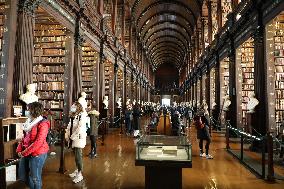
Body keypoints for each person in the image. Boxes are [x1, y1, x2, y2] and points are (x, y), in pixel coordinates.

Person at [16, 102, 50, 189]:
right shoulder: (29, 121)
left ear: (34, 110)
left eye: (28, 109)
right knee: (22, 176)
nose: (27, 111)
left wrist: (23, 153)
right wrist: (19, 150)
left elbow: (38, 142)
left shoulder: (43, 123)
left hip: (37, 154)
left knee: (35, 178)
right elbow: (24, 137)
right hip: (26, 152)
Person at [66, 102, 87, 183]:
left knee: (78, 156)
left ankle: (80, 174)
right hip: (73, 138)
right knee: (75, 156)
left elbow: (80, 128)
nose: (72, 107)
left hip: (78, 138)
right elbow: (70, 125)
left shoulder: (82, 115)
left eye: (74, 106)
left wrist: (72, 137)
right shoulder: (74, 116)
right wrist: (67, 134)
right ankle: (77, 170)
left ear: (78, 107)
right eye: (72, 106)